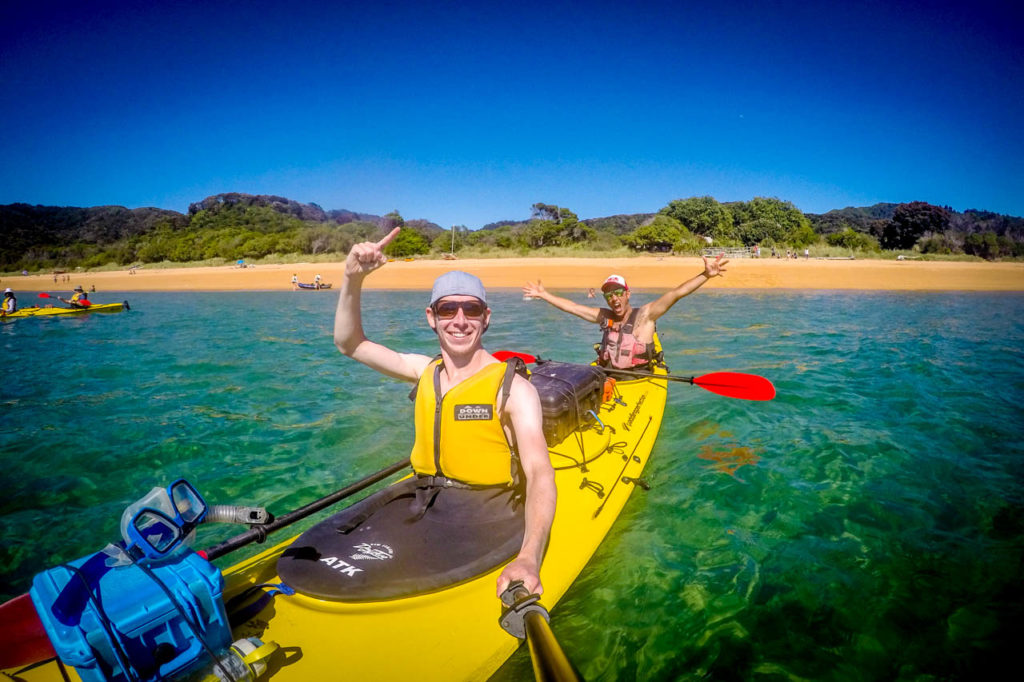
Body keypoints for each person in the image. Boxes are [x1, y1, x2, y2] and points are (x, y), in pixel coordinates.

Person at [334, 228, 556, 597]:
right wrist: (352, 278)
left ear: (486, 317)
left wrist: (529, 557)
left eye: (471, 309)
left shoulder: (514, 389)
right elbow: (349, 343)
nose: (459, 320)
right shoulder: (423, 370)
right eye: (447, 309)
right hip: (425, 499)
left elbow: (539, 470)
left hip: (485, 509)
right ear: (431, 317)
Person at [522, 254, 728, 371]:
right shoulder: (604, 317)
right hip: (608, 375)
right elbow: (573, 308)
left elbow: (676, 293)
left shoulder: (646, 315)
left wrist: (706, 275)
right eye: (609, 295)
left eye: (618, 293)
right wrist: (544, 294)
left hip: (639, 379)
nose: (614, 298)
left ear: (627, 294)